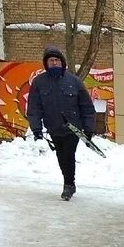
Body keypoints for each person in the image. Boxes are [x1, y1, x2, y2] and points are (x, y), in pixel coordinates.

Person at [26, 46, 96, 201]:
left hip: (73, 127)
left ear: (62, 62)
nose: (54, 63)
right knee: (61, 156)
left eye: (57, 60)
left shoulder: (74, 81)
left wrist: (88, 129)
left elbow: (87, 107)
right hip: (53, 127)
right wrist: (36, 129)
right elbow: (33, 108)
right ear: (46, 64)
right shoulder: (39, 83)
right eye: (51, 61)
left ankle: (69, 185)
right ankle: (68, 182)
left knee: (68, 155)